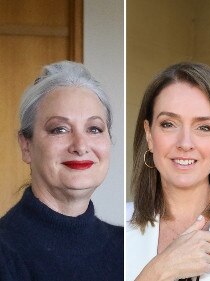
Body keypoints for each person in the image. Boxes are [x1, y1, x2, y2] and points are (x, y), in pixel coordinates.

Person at [0, 61, 124, 280]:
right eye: (60, 129)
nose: (80, 145)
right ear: (26, 145)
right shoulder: (5, 251)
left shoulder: (127, 245)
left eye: (94, 129)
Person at [126, 62, 210, 280]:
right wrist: (159, 271)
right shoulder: (118, 227)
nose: (185, 143)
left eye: (204, 127)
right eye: (168, 124)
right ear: (149, 135)